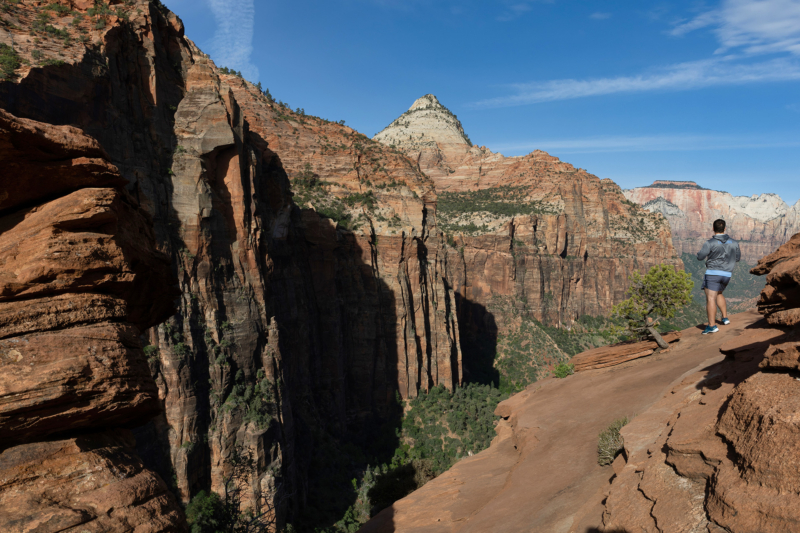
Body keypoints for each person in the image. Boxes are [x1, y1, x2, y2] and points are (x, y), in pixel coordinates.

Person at [696, 219, 741, 334]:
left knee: (711, 298)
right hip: (727, 274)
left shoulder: (710, 243)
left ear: (713, 228)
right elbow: (737, 258)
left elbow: (700, 257)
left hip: (713, 274)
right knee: (719, 293)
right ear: (725, 228)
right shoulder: (734, 242)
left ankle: (712, 326)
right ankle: (725, 318)